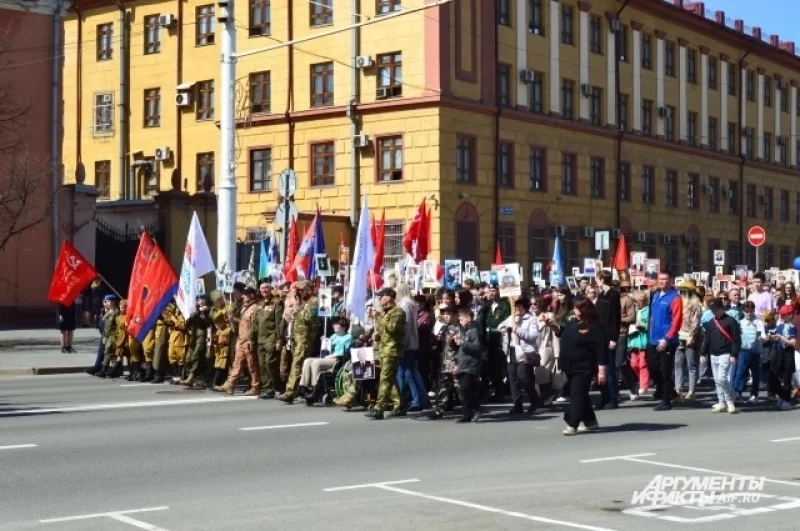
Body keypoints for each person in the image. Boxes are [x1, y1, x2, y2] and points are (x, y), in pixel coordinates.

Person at [547, 299, 606, 436]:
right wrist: (554, 327)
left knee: (576, 395)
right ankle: (590, 421)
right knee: (581, 394)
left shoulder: (594, 327)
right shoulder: (573, 322)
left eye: (578, 308)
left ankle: (572, 423)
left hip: (584, 367)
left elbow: (602, 349)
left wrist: (601, 370)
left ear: (585, 310)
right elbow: (563, 332)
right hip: (569, 366)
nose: (575, 311)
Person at [367, 288, 406, 420]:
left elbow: (393, 328)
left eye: (381, 297)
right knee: (390, 379)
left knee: (385, 379)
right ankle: (399, 405)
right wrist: (377, 335)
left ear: (389, 297)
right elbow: (384, 331)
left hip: (392, 350)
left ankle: (379, 408)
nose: (379, 300)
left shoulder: (398, 312)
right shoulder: (385, 313)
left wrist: (378, 316)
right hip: (384, 349)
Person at [647, 270, 683, 411]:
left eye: (664, 279)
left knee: (665, 371)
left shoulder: (675, 298)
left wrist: (667, 339)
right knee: (652, 367)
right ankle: (668, 391)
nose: (661, 281)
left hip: (667, 341)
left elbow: (676, 320)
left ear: (671, 281)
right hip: (653, 339)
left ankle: (666, 401)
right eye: (660, 279)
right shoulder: (655, 295)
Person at [215, 287, 261, 396]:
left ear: (252, 295)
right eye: (243, 294)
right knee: (237, 363)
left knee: (252, 365)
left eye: (246, 294)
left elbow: (254, 326)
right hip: (241, 339)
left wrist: (251, 340)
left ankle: (256, 387)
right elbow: (242, 322)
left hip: (248, 340)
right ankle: (230, 385)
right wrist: (233, 319)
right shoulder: (244, 307)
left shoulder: (255, 308)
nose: (243, 296)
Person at [499, 298, 540, 416]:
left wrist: (518, 329)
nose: (517, 310)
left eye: (519, 308)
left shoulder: (531, 319)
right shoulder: (512, 318)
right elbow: (500, 326)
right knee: (513, 380)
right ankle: (517, 404)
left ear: (525, 308)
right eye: (515, 308)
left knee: (523, 377)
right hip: (511, 350)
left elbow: (533, 336)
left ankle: (534, 398)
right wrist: (505, 329)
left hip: (524, 352)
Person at [700, 298, 741, 414]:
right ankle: (721, 402)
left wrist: (734, 354)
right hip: (713, 354)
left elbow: (736, 339)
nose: (714, 312)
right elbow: (706, 340)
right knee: (717, 380)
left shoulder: (731, 321)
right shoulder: (711, 323)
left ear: (722, 308)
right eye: (713, 310)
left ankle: (730, 401)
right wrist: (703, 353)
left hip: (726, 353)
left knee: (722, 378)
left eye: (716, 309)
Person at [252, 280, 285, 399]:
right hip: (260, 339)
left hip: (271, 338)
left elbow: (279, 323)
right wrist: (252, 339)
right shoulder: (259, 304)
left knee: (270, 363)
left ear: (270, 289)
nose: (264, 290)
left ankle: (279, 387)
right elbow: (255, 323)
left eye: (266, 288)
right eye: (262, 288)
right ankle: (267, 389)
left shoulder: (277, 303)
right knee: (262, 365)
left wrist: (279, 340)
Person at [594, 271, 621, 409]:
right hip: (599, 336)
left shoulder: (613, 295)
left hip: (609, 337)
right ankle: (604, 396)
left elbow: (615, 319)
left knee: (610, 369)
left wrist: (613, 338)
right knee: (599, 368)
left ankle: (613, 398)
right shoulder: (601, 295)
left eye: (597, 279)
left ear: (602, 280)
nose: (595, 281)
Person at [453, 307, 483, 423]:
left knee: (465, 389)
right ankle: (467, 413)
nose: (460, 321)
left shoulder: (474, 331)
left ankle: (475, 408)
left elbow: (476, 347)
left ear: (469, 319)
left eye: (461, 319)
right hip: (464, 365)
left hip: (471, 365)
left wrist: (463, 343)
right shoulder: (465, 331)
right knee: (466, 390)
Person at [674, 280, 702, 401]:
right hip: (678, 336)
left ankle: (692, 391)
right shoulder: (678, 303)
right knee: (678, 364)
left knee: (691, 365)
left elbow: (696, 323)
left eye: (684, 290)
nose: (681, 292)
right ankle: (678, 389)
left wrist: (691, 335)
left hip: (690, 337)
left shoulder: (695, 305)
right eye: (681, 290)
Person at [733, 301, 765, 403]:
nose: (749, 314)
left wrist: (762, 338)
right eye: (747, 312)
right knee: (740, 372)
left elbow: (762, 334)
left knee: (755, 373)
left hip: (755, 351)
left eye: (751, 311)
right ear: (744, 311)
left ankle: (754, 395)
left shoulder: (758, 322)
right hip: (743, 351)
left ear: (754, 311)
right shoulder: (740, 322)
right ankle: (738, 393)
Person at [766, 305, 795, 411]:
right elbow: (775, 338)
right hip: (778, 353)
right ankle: (783, 396)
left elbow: (793, 342)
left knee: (787, 378)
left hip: (788, 353)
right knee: (772, 376)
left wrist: (782, 338)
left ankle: (786, 400)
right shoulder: (780, 326)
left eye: (784, 315)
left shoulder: (792, 327)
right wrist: (769, 338)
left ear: (790, 315)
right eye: (781, 314)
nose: (781, 316)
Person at [628, 289, 650, 399]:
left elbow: (648, 323)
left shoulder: (647, 310)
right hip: (634, 339)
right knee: (633, 364)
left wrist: (642, 325)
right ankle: (642, 380)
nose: (636, 303)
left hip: (643, 340)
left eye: (638, 301)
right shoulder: (635, 310)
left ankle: (644, 385)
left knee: (642, 364)